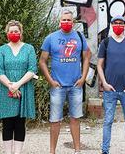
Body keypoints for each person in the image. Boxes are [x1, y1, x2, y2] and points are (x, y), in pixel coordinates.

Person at [39, 9, 91, 154]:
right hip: (58, 86)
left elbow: (87, 56)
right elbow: (42, 61)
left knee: (75, 118)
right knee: (55, 120)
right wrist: (50, 80)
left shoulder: (79, 37)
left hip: (75, 85)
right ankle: (52, 151)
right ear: (59, 22)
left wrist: (83, 78)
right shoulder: (51, 38)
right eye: (64, 20)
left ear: (73, 22)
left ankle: (77, 150)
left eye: (69, 20)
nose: (66, 22)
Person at [0, 20, 38, 154]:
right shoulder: (2, 50)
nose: (14, 33)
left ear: (21, 33)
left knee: (20, 123)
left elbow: (32, 69)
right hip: (5, 88)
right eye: (11, 31)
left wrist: (17, 85)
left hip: (23, 88)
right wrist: (10, 86)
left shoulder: (29, 48)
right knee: (7, 123)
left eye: (16, 31)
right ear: (7, 33)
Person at [97, 15, 125, 154]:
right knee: (108, 121)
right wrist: (104, 83)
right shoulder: (106, 42)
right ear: (112, 24)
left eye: (121, 23)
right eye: (116, 23)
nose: (118, 25)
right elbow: (99, 65)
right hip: (110, 90)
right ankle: (105, 150)